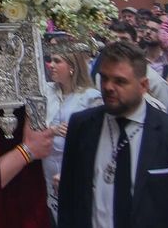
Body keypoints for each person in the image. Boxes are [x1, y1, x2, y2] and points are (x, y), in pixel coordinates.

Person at [56, 41, 168, 228]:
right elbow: (68, 203)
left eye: (120, 81)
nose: (109, 87)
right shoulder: (82, 126)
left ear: (143, 85)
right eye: (104, 78)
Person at [42, 40, 105, 215]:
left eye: (57, 61)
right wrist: (51, 131)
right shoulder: (46, 91)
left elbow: (96, 139)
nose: (51, 65)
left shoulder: (91, 98)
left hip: (74, 171)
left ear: (72, 66)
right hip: (45, 171)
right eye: (50, 60)